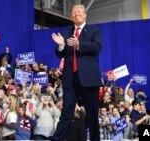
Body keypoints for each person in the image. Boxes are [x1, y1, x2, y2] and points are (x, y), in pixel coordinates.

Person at [52, 4, 102, 141]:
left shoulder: (94, 31)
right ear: (71, 16)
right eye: (73, 12)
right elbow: (59, 54)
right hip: (70, 79)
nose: (76, 14)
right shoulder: (66, 32)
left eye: (79, 11)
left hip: (89, 79)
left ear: (85, 14)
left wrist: (79, 44)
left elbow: (97, 47)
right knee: (66, 113)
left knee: (92, 115)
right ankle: (57, 139)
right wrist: (61, 45)